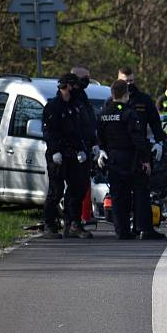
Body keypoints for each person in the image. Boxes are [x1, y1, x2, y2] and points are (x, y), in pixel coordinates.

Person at [97, 80, 158, 240]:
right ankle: (144, 228)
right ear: (126, 95)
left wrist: (102, 151)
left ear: (112, 94)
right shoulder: (129, 114)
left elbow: (99, 137)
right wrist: (145, 160)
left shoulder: (104, 114)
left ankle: (122, 230)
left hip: (113, 158)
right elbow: (137, 139)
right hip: (131, 159)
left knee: (118, 196)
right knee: (140, 193)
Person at [116, 67, 167, 238]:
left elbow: (155, 123)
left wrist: (159, 142)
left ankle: (144, 228)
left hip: (140, 152)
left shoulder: (143, 100)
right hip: (121, 152)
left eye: (131, 80)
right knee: (122, 193)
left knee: (142, 192)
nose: (129, 84)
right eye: (125, 80)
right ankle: (123, 229)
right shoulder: (112, 101)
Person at [42, 73, 93, 239]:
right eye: (73, 87)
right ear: (67, 87)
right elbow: (49, 131)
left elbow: (78, 131)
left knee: (77, 188)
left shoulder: (75, 106)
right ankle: (49, 225)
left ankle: (73, 224)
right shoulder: (53, 106)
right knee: (56, 191)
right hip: (58, 154)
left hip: (73, 154)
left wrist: (82, 149)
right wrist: (55, 150)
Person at [71, 65, 98, 224]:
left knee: (82, 187)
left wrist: (94, 143)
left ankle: (81, 219)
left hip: (86, 148)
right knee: (74, 189)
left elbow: (90, 123)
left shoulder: (83, 96)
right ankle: (73, 222)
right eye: (84, 78)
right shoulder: (72, 99)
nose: (87, 81)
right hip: (74, 151)